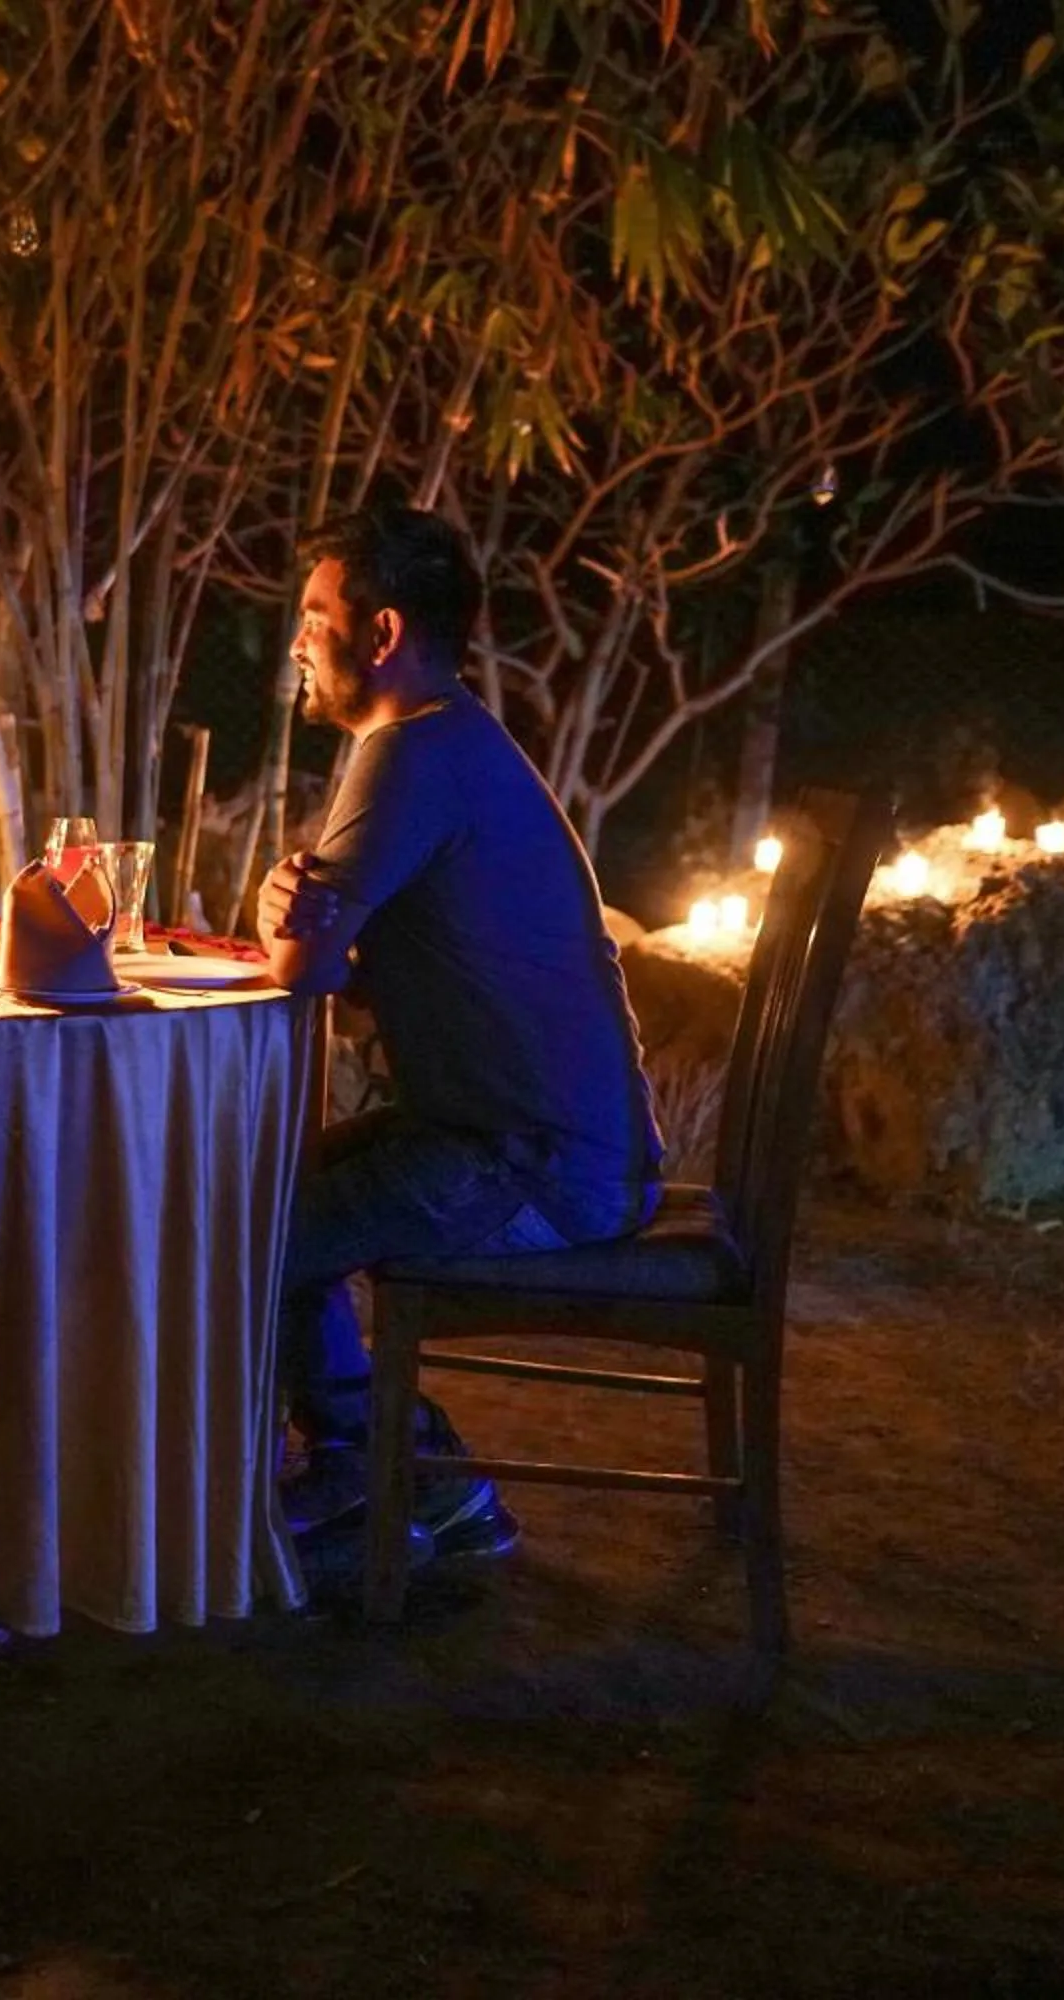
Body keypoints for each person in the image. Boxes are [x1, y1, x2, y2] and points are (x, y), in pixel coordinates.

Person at [257, 508, 665, 1575]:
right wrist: (298, 917)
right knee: (255, 1195)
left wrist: (282, 915)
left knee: (253, 1230)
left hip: (536, 1164)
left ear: (379, 633)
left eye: (314, 614)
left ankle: (413, 1480)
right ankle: (387, 1467)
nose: (298, 639)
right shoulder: (446, 740)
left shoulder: (412, 754)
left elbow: (302, 964)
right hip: (522, 1138)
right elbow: (337, 960)